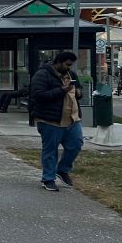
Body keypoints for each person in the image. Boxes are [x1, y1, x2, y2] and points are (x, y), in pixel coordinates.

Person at [29, 51, 83, 191]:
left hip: (73, 119)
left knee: (75, 145)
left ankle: (62, 169)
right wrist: (61, 90)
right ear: (58, 62)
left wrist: (78, 93)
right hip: (50, 120)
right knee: (50, 150)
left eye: (71, 65)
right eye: (67, 64)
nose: (69, 68)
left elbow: (79, 89)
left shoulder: (71, 75)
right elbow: (38, 95)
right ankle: (48, 179)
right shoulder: (43, 74)